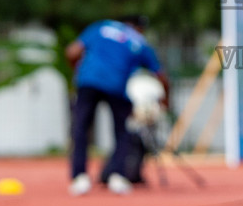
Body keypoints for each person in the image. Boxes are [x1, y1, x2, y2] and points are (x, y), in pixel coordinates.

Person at [64, 15, 168, 195]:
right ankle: (118, 177)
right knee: (122, 131)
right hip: (117, 86)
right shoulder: (139, 40)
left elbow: (72, 52)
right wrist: (165, 100)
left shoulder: (100, 26)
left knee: (81, 128)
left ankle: (79, 178)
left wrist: (78, 71)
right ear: (139, 28)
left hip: (88, 81)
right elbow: (160, 76)